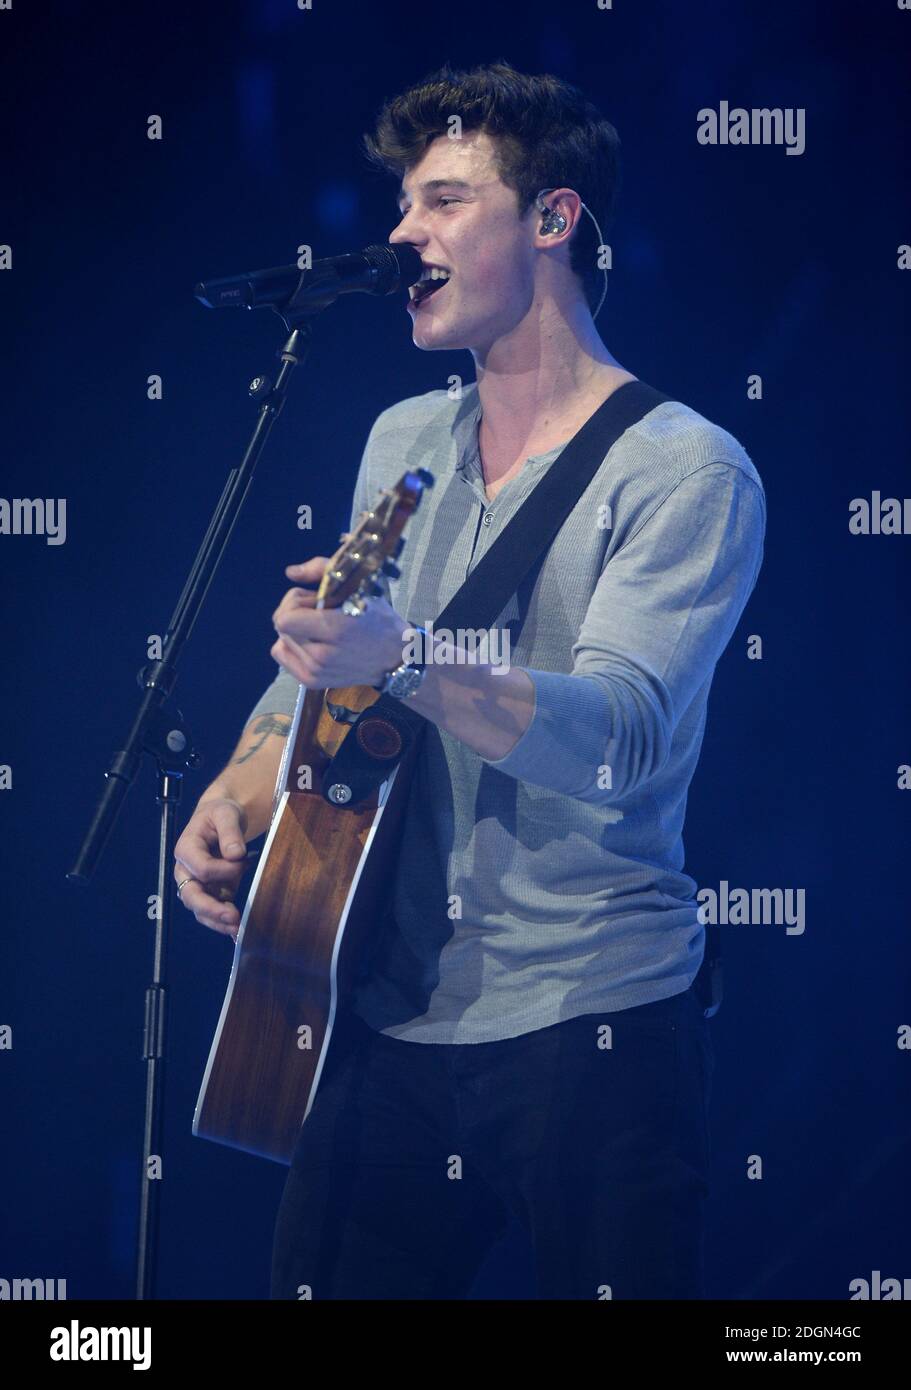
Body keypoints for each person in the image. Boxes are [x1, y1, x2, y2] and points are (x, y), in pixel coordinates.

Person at [173, 61, 766, 1300]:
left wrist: (410, 657)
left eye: (442, 201)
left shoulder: (685, 469)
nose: (401, 232)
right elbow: (324, 662)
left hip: (592, 1017)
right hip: (379, 1009)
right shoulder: (402, 439)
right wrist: (237, 788)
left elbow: (623, 736)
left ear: (551, 220)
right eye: (402, 205)